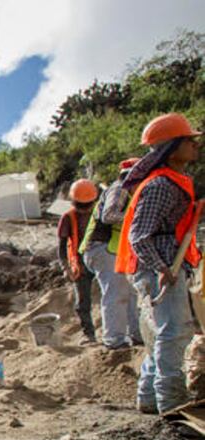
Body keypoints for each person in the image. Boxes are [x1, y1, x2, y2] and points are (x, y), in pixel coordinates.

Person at [115, 112, 201, 414]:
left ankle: (150, 399)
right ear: (171, 147)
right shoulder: (160, 185)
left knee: (159, 333)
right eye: (189, 140)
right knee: (174, 331)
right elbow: (140, 235)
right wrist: (162, 268)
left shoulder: (173, 182)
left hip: (161, 266)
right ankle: (172, 401)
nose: (195, 145)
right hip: (159, 268)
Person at [79, 159, 143, 349]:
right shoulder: (120, 188)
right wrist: (138, 218)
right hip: (102, 247)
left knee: (129, 292)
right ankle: (114, 340)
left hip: (111, 249)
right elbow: (109, 216)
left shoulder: (126, 190)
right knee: (116, 292)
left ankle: (137, 334)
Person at [58, 179, 99, 343]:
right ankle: (88, 333)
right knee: (83, 302)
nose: (84, 209)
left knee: (113, 297)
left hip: (100, 260)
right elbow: (61, 246)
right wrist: (65, 267)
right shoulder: (68, 217)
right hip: (80, 265)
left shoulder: (99, 213)